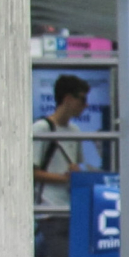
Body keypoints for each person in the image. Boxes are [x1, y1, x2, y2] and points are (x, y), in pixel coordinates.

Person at [32, 73, 91, 209]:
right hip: (49, 207)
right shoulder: (42, 128)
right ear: (68, 99)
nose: (85, 105)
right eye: (82, 99)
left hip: (72, 205)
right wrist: (64, 178)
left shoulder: (75, 130)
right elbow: (31, 172)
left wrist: (77, 171)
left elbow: (80, 164)